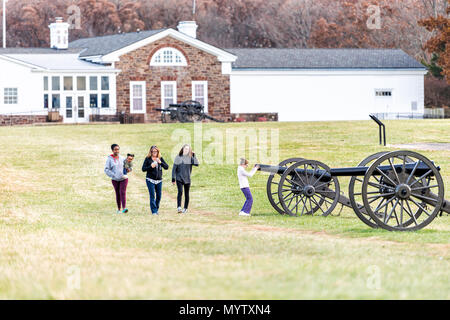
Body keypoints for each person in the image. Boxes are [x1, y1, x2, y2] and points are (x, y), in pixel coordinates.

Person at [172, 144, 199, 214]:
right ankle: (179, 207)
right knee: (180, 192)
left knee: (187, 194)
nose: (186, 150)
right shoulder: (178, 157)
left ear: (189, 150)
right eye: (185, 149)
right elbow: (174, 168)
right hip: (179, 178)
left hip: (187, 179)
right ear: (183, 149)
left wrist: (194, 155)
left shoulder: (190, 158)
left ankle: (185, 208)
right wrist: (173, 178)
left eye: (188, 149)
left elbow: (197, 164)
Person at [142, 146, 169, 215]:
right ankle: (154, 211)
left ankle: (156, 208)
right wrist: (151, 166)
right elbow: (143, 169)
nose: (154, 153)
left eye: (156, 151)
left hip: (159, 180)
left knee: (159, 196)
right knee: (152, 195)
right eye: (153, 151)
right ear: (150, 152)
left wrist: (160, 162)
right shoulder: (148, 159)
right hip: (150, 180)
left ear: (158, 152)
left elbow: (166, 167)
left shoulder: (160, 158)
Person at [104, 144, 130, 214]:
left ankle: (124, 208)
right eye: (115, 149)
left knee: (122, 192)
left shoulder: (122, 158)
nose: (117, 151)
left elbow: (127, 167)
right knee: (117, 193)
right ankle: (119, 209)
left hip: (123, 178)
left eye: (118, 149)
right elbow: (106, 169)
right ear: (112, 150)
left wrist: (128, 169)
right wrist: (114, 175)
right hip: (115, 180)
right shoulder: (109, 159)